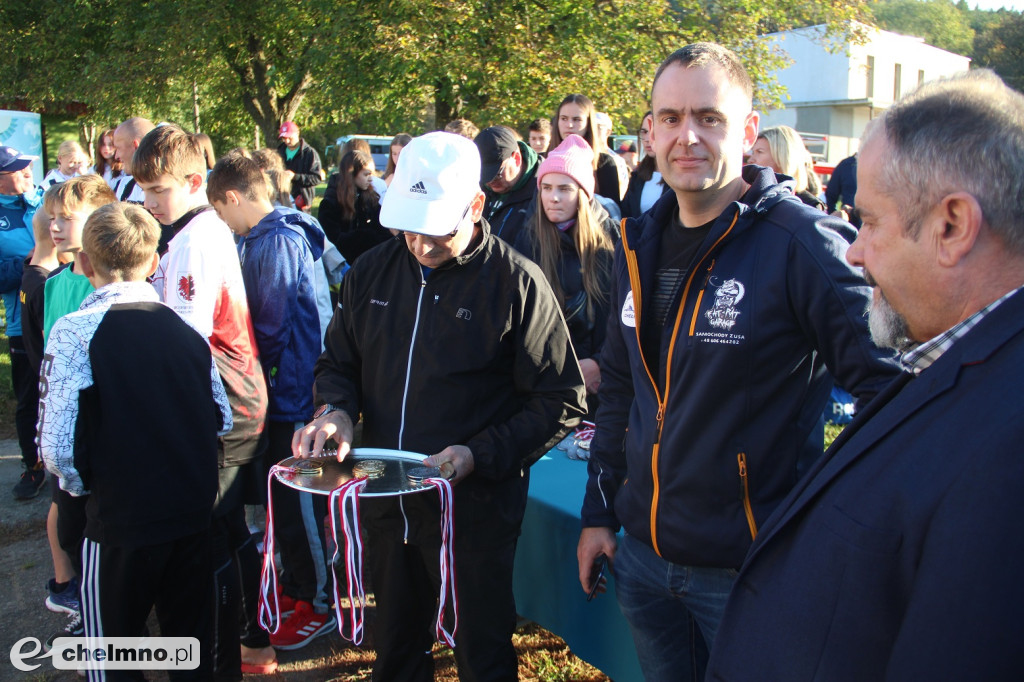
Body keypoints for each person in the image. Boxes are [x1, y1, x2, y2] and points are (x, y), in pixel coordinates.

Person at [575, 43, 902, 682]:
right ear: (649, 131)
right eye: (669, 118)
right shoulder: (635, 244)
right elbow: (619, 390)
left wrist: (827, 528)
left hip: (750, 574)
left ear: (749, 131)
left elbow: (895, 392)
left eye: (709, 117)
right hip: (642, 562)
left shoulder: (801, 243)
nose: (686, 136)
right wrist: (597, 512)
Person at [708, 68, 1024, 682]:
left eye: (870, 222)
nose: (853, 250)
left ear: (952, 226)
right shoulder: (947, 359)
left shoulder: (1007, 447)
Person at [292, 131, 587, 681]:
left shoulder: (516, 282)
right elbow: (338, 363)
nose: (422, 245)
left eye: (437, 230)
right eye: (410, 228)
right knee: (397, 652)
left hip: (471, 516)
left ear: (476, 206)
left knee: (482, 655)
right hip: (384, 504)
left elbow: (561, 400)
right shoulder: (372, 272)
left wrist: (478, 455)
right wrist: (333, 411)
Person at [38, 201, 232, 681]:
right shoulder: (185, 328)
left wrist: (82, 491)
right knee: (191, 645)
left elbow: (57, 444)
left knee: (115, 650)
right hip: (189, 511)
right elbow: (220, 416)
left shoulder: (74, 331)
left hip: (119, 519)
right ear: (153, 263)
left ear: (84, 263)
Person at [134, 124, 272, 677]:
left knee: (214, 530)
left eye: (157, 190)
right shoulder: (194, 228)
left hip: (226, 400)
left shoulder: (195, 238)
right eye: (141, 190)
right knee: (225, 528)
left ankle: (236, 646)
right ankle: (249, 638)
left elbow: (182, 342)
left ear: (194, 181)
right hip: (223, 394)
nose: (147, 202)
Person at [208, 153, 332, 654]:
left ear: (234, 198)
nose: (221, 221)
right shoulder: (261, 236)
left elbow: (271, 324)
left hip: (291, 394)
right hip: (277, 392)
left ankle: (321, 604)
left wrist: (244, 369)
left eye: (219, 210)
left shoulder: (278, 239)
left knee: (300, 502)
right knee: (281, 503)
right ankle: (298, 587)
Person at [514, 134, 617, 413]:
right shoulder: (526, 241)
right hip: (541, 386)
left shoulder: (612, 242)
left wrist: (599, 362)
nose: (553, 198)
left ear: (583, 193)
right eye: (546, 188)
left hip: (598, 388)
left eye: (564, 188)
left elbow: (622, 316)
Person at [1, 146, 43, 500]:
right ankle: (33, 468)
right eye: (17, 168)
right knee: (29, 398)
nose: (28, 169)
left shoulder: (45, 201)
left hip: (62, 312)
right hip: (21, 323)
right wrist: (29, 264)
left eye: (27, 163)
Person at [549, 95, 622, 208]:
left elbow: (613, 211)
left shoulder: (603, 163)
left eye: (576, 119)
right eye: (564, 118)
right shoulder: (544, 160)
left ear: (588, 124)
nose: (569, 125)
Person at [317, 149, 390, 263]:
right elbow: (332, 241)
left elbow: (383, 228)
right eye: (366, 174)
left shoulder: (369, 198)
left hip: (369, 262)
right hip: (343, 266)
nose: (370, 179)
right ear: (352, 173)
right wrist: (365, 236)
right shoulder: (330, 204)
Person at [474, 125, 540, 245]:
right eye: (484, 176)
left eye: (497, 173)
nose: (490, 181)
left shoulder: (543, 190)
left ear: (517, 158)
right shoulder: (477, 188)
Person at [748, 125, 825, 210]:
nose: (750, 160)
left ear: (782, 157)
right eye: (753, 152)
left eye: (759, 152)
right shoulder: (747, 196)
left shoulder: (810, 207)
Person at [621, 112, 670, 219]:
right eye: (644, 132)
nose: (648, 139)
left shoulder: (681, 176)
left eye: (654, 132)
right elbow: (627, 215)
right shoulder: (637, 175)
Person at [276, 121, 322, 213]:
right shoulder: (278, 152)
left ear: (297, 133)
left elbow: (316, 178)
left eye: (289, 137)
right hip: (281, 200)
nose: (287, 141)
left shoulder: (309, 153)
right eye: (284, 138)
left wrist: (295, 176)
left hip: (301, 202)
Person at [110, 116, 154, 204]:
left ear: (136, 146)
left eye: (118, 148)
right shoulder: (123, 186)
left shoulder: (175, 190)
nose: (116, 156)